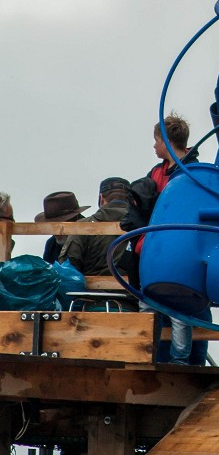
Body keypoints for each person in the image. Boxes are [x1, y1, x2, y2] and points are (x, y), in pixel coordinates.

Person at [137, 114, 208, 365]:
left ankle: (180, 360)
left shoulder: (192, 172)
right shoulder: (157, 172)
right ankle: (148, 355)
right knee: (148, 303)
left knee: (178, 307)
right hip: (157, 247)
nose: (154, 146)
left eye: (156, 140)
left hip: (177, 247)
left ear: (166, 141)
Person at [59, 178, 131, 276]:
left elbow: (68, 269)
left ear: (101, 198)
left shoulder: (83, 226)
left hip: (91, 291)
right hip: (134, 291)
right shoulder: (144, 226)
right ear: (131, 200)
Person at [35, 192, 89, 264]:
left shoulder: (91, 239)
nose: (56, 232)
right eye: (52, 226)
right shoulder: (51, 244)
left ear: (74, 219)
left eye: (59, 225)